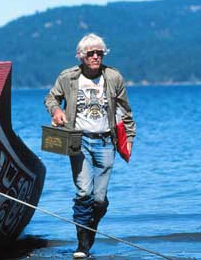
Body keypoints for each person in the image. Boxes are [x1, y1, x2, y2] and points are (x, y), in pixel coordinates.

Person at [44, 33, 136, 258]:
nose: (95, 56)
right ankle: (82, 245)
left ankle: (90, 229)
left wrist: (130, 138)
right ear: (81, 55)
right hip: (78, 140)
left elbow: (125, 110)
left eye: (99, 53)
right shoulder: (68, 77)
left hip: (106, 141)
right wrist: (56, 111)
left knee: (99, 199)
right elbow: (51, 98)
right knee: (84, 191)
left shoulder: (113, 77)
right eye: (90, 53)